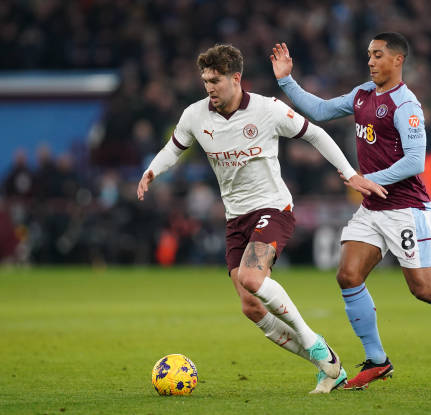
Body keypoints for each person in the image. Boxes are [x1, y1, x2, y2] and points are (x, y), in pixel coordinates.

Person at [137, 44, 387, 394]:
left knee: (254, 279)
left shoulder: (268, 110)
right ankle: (328, 365)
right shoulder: (195, 115)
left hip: (273, 209)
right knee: (251, 306)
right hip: (235, 219)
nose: (209, 87)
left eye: (215, 80)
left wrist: (348, 173)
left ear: (236, 78)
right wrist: (152, 170)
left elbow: (314, 132)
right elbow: (174, 148)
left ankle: (313, 342)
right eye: (205, 80)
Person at [271, 32, 431, 389]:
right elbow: (320, 110)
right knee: (347, 275)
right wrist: (286, 79)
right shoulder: (362, 95)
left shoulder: (406, 105)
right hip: (373, 208)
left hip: (407, 208)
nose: (371, 61)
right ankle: (377, 361)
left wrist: (366, 178)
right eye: (369, 55)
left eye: (378, 55)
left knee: (424, 288)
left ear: (397, 60)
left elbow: (415, 161)